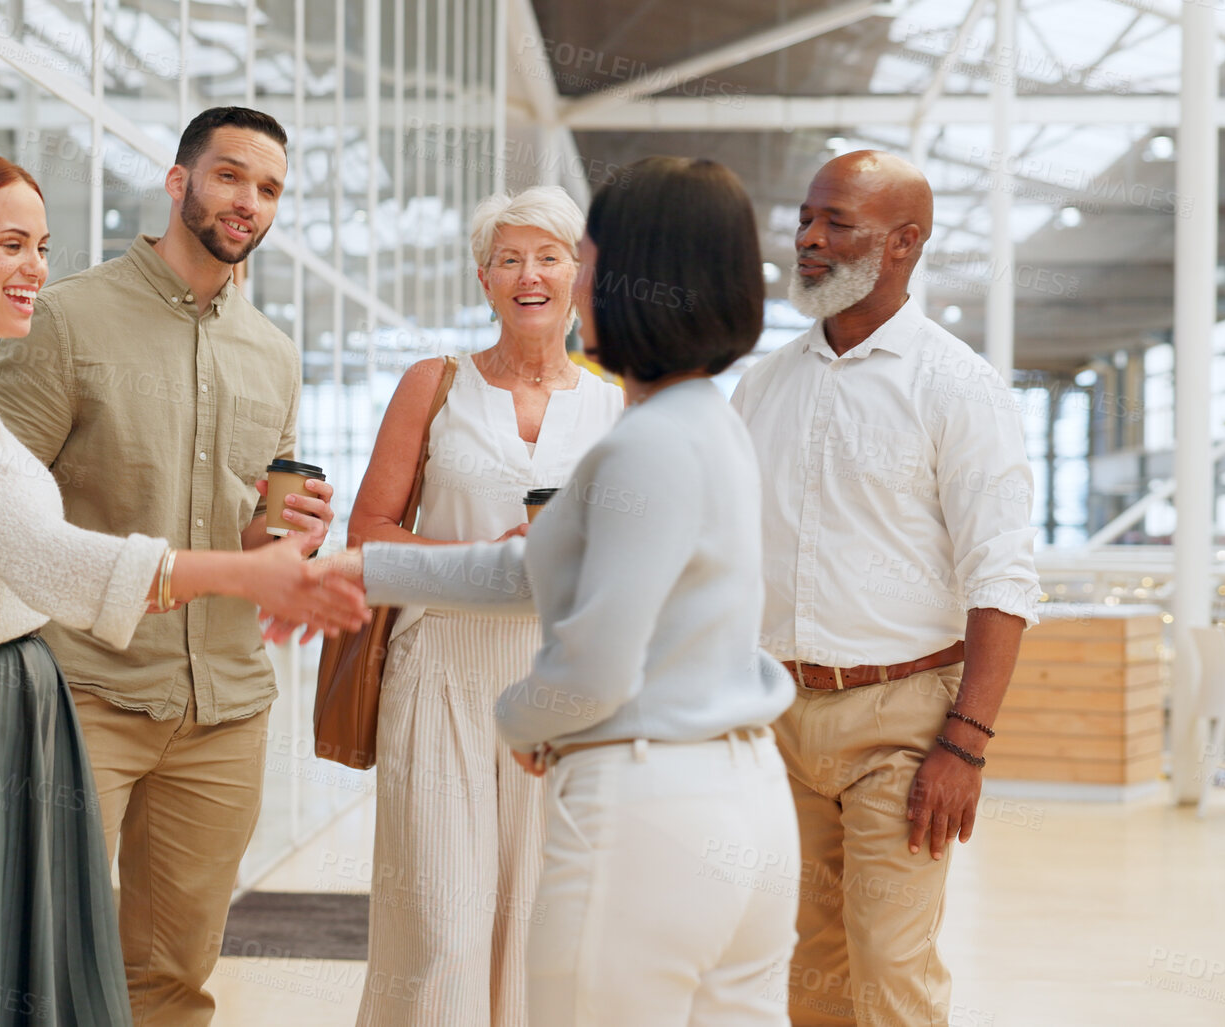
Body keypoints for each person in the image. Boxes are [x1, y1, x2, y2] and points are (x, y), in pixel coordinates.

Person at [0, 145, 365, 1026]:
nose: (35, 270)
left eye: (43, 247)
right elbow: (48, 555)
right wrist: (249, 574)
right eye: (12, 244)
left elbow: (22, 546)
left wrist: (260, 546)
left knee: (0, 978)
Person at [321, 156, 798, 1026]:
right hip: (743, 794)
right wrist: (345, 569)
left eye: (578, 260)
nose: (558, 283)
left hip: (645, 782)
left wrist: (523, 717)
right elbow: (523, 569)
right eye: (517, 259)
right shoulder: (708, 425)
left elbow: (591, 662)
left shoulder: (638, 437)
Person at [0, 106, 323, 1025]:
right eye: (229, 176)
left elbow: (250, 532)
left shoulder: (274, 354)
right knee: (42, 963)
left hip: (225, 709)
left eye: (269, 188)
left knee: (174, 978)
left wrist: (278, 540)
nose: (248, 201)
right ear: (179, 183)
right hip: (86, 693)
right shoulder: (64, 320)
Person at [728, 149, 1040, 1026]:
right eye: (805, 219)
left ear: (904, 242)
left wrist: (965, 744)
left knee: (889, 965)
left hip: (903, 724)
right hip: (779, 719)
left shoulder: (958, 387)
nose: (811, 240)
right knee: (809, 965)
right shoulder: (763, 384)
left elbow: (1002, 574)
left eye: (838, 223)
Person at [347, 186, 621, 1027]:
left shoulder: (618, 402)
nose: (528, 273)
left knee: (552, 930)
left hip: (569, 688)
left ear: (578, 275)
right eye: (508, 258)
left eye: (548, 256)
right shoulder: (436, 384)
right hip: (442, 677)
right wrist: (491, 560)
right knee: (442, 929)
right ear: (483, 278)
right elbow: (369, 535)